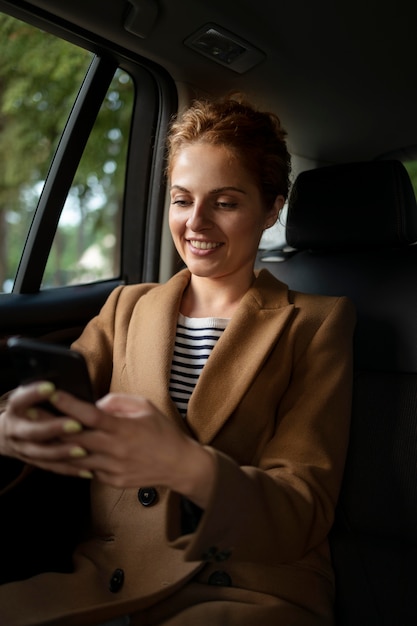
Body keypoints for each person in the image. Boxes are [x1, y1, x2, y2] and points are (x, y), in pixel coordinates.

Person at [0, 94, 355, 626]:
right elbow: (49, 401)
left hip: (244, 586)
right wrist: (11, 424)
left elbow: (301, 509)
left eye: (226, 202)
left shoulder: (316, 323)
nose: (196, 222)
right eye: (182, 199)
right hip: (107, 579)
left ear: (272, 208)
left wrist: (188, 468)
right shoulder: (127, 308)